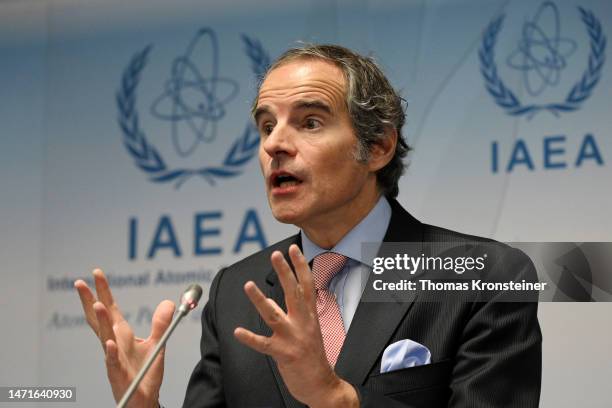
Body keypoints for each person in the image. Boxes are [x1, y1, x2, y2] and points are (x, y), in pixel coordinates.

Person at [75, 44, 542, 407]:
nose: (275, 143)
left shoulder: (485, 273)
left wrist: (335, 399)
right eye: (265, 126)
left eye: (311, 122)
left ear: (378, 146)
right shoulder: (236, 290)